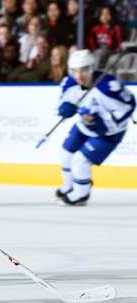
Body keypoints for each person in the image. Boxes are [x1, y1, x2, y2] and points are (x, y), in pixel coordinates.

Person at [55, 49, 135, 205]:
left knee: (80, 161)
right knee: (66, 154)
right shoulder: (70, 83)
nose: (79, 75)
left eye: (84, 69)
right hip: (84, 126)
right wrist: (64, 107)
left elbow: (129, 105)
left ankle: (81, 194)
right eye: (75, 71)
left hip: (109, 133)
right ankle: (71, 184)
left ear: (91, 68)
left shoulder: (108, 86)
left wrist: (101, 121)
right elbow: (64, 101)